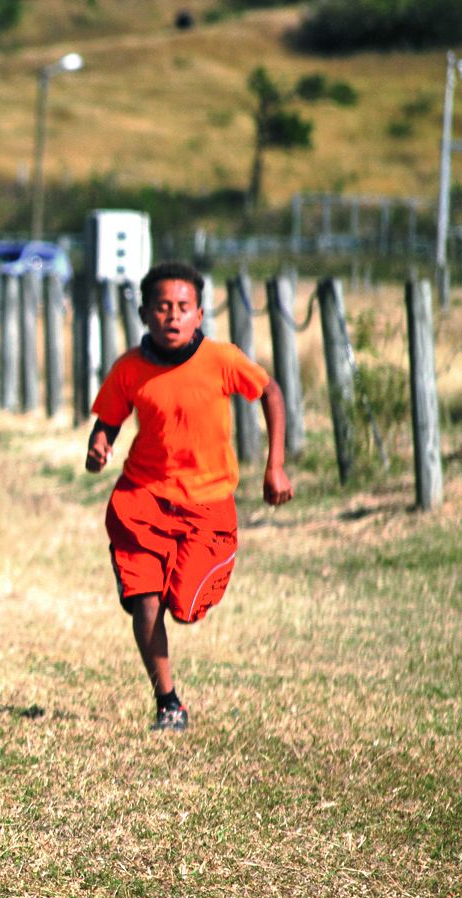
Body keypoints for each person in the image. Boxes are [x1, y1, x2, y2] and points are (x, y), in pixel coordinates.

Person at [86, 261, 294, 732]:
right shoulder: (129, 369)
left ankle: (184, 584)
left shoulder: (221, 360)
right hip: (141, 501)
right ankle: (168, 703)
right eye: (162, 307)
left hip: (207, 505)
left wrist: (274, 464)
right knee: (146, 603)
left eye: (182, 307)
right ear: (144, 314)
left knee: (185, 608)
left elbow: (271, 392)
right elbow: (110, 418)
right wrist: (100, 443)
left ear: (199, 314)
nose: (172, 316)